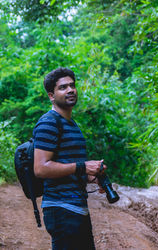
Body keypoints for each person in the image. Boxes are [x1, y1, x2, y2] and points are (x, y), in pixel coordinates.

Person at [33, 67, 106, 250]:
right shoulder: (48, 122)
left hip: (78, 207)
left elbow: (73, 168)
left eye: (72, 86)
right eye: (63, 87)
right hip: (60, 209)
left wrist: (94, 175)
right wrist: (82, 166)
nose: (70, 90)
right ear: (51, 95)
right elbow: (41, 168)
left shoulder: (72, 124)